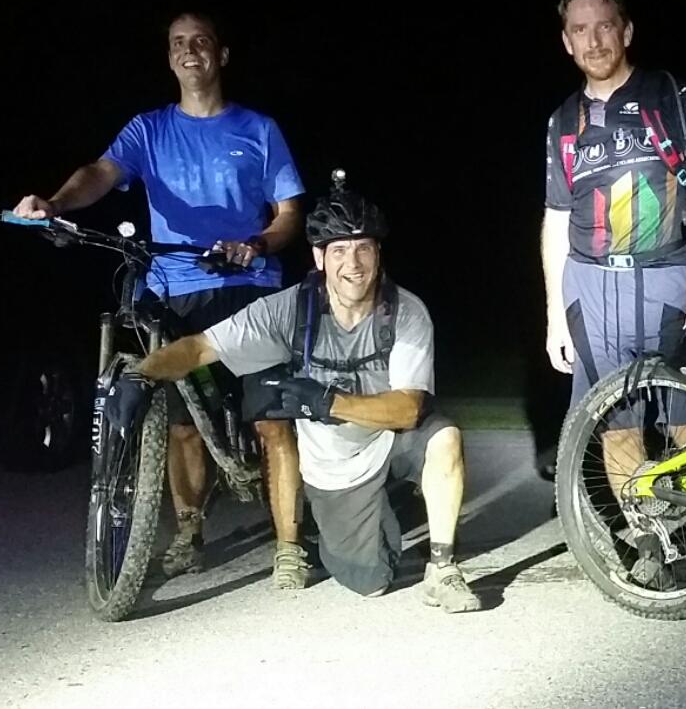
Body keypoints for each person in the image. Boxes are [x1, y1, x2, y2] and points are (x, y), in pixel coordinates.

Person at [11, 11, 310, 588]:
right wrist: (55, 203)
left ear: (221, 54)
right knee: (181, 426)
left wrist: (255, 244)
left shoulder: (259, 129)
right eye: (177, 43)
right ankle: (188, 529)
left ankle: (291, 545)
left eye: (200, 41)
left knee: (273, 423)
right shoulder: (148, 130)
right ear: (170, 57)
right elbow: (100, 171)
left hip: (249, 288)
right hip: (174, 290)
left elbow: (290, 214)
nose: (189, 50)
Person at [102, 181, 482, 611]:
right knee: (372, 580)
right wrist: (141, 375)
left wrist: (325, 401)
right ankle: (361, 525)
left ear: (379, 253)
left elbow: (410, 409)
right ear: (320, 258)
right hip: (337, 470)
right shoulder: (289, 311)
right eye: (339, 250)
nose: (353, 264)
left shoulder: (406, 311)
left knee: (444, 435)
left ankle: (443, 568)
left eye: (363, 248)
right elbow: (199, 348)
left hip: (389, 439)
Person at [539, 0, 686, 623]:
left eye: (605, 25)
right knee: (617, 421)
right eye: (580, 29)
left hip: (665, 271)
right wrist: (553, 313)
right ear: (566, 42)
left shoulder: (667, 92)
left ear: (626, 30)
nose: (594, 39)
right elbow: (552, 220)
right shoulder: (561, 120)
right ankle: (654, 545)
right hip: (590, 281)